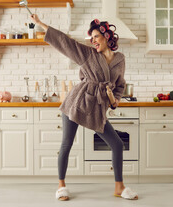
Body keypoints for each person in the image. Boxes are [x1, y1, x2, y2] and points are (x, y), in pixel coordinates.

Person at [30, 15, 138, 201]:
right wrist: (40, 24)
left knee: (117, 144)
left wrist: (116, 99)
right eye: (92, 38)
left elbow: (120, 85)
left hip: (97, 107)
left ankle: (119, 187)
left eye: (96, 37)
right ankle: (61, 185)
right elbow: (66, 42)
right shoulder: (88, 54)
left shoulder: (120, 59)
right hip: (77, 102)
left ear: (107, 37)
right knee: (67, 144)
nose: (93, 41)